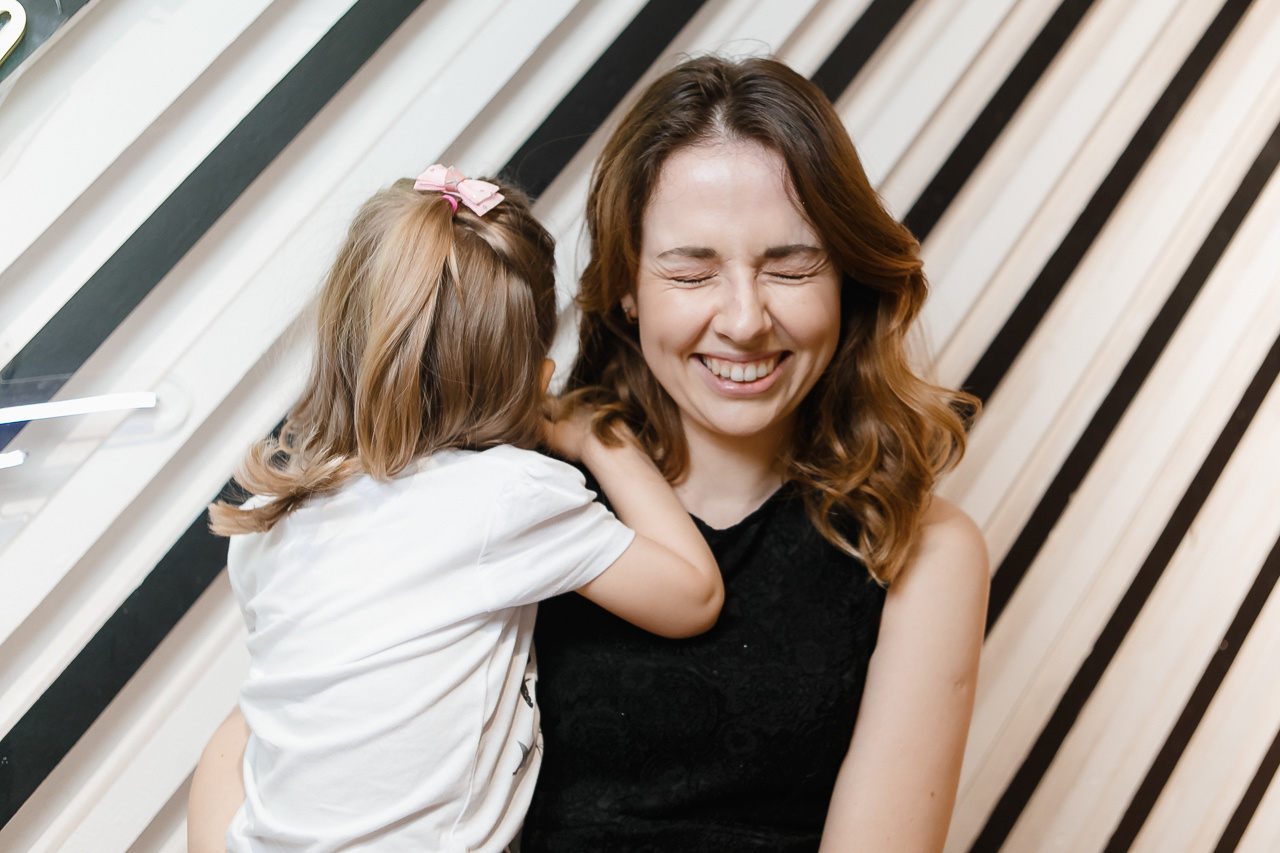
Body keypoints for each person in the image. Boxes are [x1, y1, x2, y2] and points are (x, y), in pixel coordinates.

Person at [192, 53, 989, 853]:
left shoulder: (919, 551)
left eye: (790, 264)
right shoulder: (504, 492)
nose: (745, 319)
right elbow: (268, 736)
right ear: (627, 286)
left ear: (847, 277)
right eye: (691, 269)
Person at [191, 166, 722, 853]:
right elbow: (693, 593)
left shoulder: (270, 516)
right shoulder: (509, 497)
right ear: (537, 380)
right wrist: (593, 433)